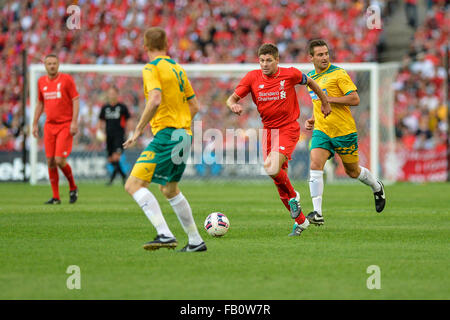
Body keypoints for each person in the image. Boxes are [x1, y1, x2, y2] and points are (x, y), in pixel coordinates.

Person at [226, 43, 331, 237]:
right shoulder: (252, 78)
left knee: (271, 167)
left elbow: (311, 83)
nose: (264, 64)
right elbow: (231, 99)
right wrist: (233, 105)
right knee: (277, 178)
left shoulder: (290, 74)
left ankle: (294, 197)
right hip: (269, 132)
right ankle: (301, 222)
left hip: (288, 128)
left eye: (268, 60)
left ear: (277, 60)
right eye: (262, 61)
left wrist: (324, 102)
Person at [123, 27, 206, 252]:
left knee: (133, 184)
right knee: (169, 189)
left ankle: (164, 234)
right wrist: (182, 126)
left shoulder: (152, 68)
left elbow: (155, 99)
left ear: (145, 46)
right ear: (167, 44)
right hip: (184, 134)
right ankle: (196, 241)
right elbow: (195, 106)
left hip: (168, 134)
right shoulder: (177, 69)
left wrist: (139, 129)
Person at [304, 39, 386, 227]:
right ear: (311, 58)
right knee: (315, 163)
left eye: (326, 53)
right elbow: (319, 106)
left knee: (352, 171)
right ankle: (317, 212)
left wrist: (327, 98)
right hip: (322, 130)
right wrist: (313, 119)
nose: (325, 57)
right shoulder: (310, 78)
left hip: (344, 131)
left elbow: (355, 99)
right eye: (320, 55)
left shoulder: (338, 73)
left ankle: (376, 186)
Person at [32, 54, 79, 204]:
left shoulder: (66, 79)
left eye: (54, 63)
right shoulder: (41, 82)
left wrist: (74, 122)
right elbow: (40, 103)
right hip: (49, 126)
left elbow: (75, 100)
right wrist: (34, 123)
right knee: (50, 161)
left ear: (58, 65)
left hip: (65, 124)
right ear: (45, 66)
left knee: (59, 159)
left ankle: (73, 187)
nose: (52, 66)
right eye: (49, 64)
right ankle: (56, 197)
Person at [98, 86, 131, 185]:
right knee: (110, 159)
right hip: (108, 136)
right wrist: (99, 131)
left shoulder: (122, 107)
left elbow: (129, 120)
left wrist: (130, 132)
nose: (111, 95)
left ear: (117, 94)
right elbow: (101, 120)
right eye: (110, 93)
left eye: (113, 93)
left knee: (116, 157)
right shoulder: (105, 107)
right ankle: (123, 177)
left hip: (119, 136)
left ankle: (113, 179)